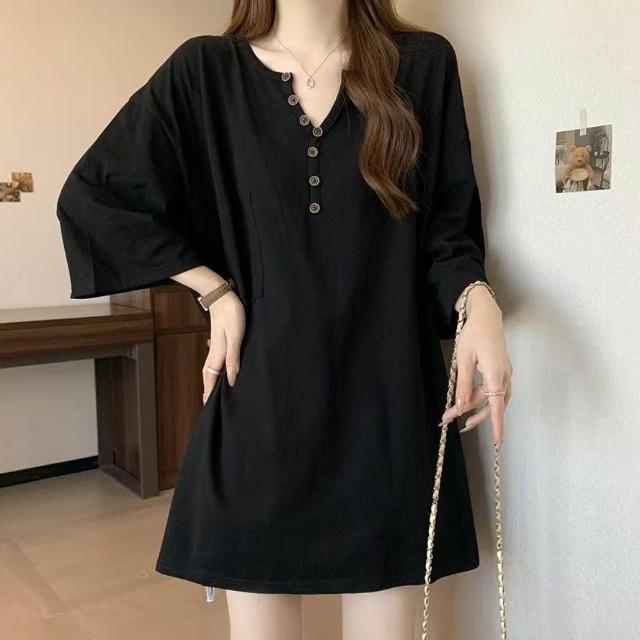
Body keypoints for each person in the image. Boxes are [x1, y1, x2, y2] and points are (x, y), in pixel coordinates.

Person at [56, 1, 512, 638]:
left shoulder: (422, 65)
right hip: (260, 415)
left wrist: (478, 300)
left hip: (387, 416)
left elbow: (448, 233)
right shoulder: (206, 72)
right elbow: (95, 196)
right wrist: (214, 290)